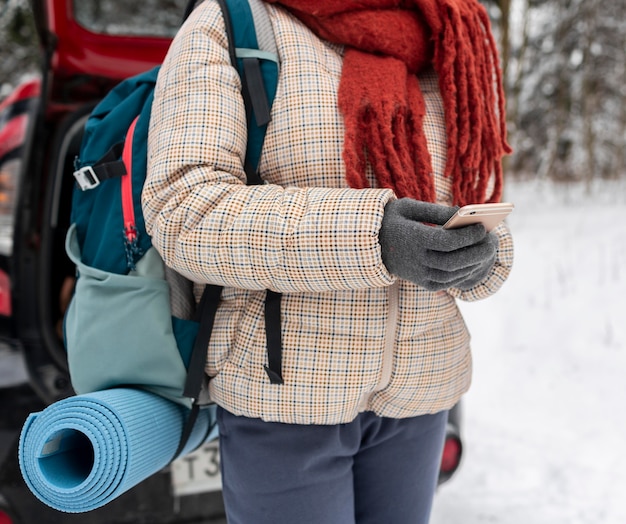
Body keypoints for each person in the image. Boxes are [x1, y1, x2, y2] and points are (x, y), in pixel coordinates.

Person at [143, 0, 514, 522]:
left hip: (420, 398)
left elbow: (474, 197)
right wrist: (373, 237)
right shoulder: (233, 24)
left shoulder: (450, 39)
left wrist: (482, 255)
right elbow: (184, 208)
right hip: (286, 401)